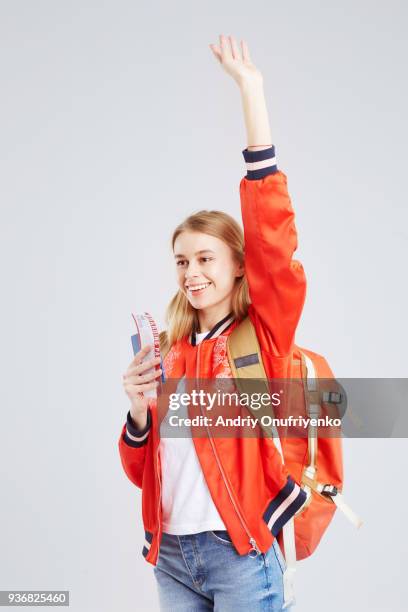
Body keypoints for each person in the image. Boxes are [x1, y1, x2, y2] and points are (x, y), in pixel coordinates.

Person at [119, 34, 308, 611]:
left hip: (240, 553)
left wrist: (251, 94)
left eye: (205, 259)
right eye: (182, 261)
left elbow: (273, 236)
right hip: (171, 556)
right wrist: (136, 410)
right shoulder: (168, 350)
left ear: (237, 266)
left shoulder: (262, 336)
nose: (191, 273)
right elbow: (140, 468)